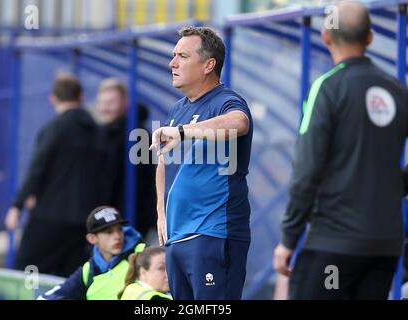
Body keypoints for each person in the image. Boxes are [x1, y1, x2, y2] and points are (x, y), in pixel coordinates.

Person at [273, 2, 408, 300]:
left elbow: (307, 169)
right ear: (370, 38)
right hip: (384, 245)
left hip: (334, 244)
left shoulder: (327, 87)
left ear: (325, 36)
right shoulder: (398, 90)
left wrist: (288, 239)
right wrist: (395, 185)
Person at [150, 26, 253, 300]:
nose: (172, 63)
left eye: (182, 56)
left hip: (212, 234)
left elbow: (239, 122)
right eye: (174, 55)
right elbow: (163, 162)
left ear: (209, 65)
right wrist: (161, 211)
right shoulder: (178, 108)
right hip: (176, 238)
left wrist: (183, 132)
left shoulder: (226, 101)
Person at [5, 73, 110, 277]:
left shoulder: (55, 128)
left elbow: (38, 167)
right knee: (69, 278)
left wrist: (18, 205)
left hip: (49, 215)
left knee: (28, 270)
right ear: (81, 98)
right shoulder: (98, 132)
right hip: (83, 220)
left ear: (53, 99)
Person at [38, 206, 145, 300]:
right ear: (92, 239)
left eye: (119, 230)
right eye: (109, 232)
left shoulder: (142, 253)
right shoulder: (88, 271)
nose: (117, 236)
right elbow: (46, 297)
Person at [96, 78, 157, 239]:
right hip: (117, 217)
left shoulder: (137, 135)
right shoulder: (105, 133)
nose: (105, 108)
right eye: (102, 103)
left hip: (130, 219)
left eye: (111, 102)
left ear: (126, 103)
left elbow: (141, 183)